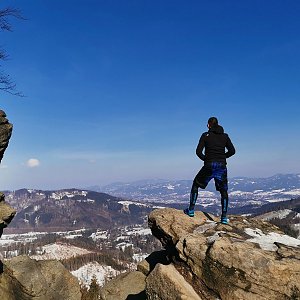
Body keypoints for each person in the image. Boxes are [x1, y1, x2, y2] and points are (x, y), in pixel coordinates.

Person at [184, 117, 235, 224]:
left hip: (209, 165)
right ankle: (224, 217)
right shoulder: (225, 136)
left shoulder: (205, 135)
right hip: (221, 166)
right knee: (223, 191)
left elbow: (198, 152)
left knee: (195, 184)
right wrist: (222, 157)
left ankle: (191, 210)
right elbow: (232, 151)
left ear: (208, 125)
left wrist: (207, 160)